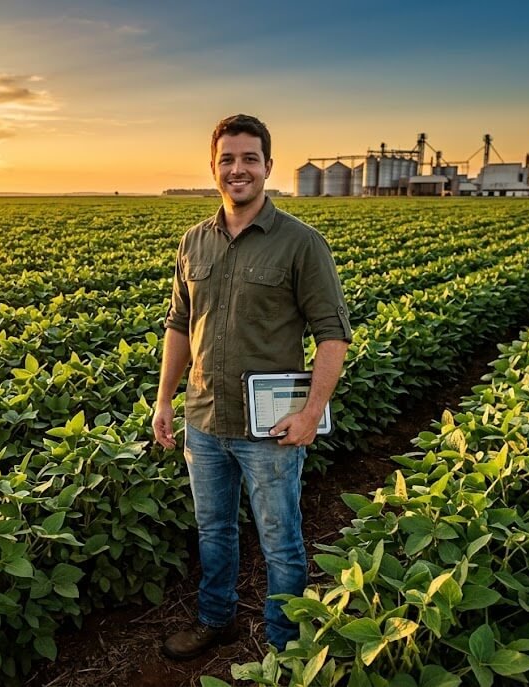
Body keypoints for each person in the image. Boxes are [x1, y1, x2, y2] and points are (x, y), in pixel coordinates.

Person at [152, 114, 352, 659]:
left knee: (281, 542)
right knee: (213, 532)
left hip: (269, 428)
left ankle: (284, 646)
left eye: (249, 159)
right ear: (213, 165)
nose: (237, 169)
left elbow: (332, 334)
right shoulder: (194, 241)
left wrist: (312, 411)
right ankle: (216, 620)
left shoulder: (301, 243)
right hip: (205, 420)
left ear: (268, 166)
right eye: (227, 159)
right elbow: (178, 324)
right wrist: (165, 398)